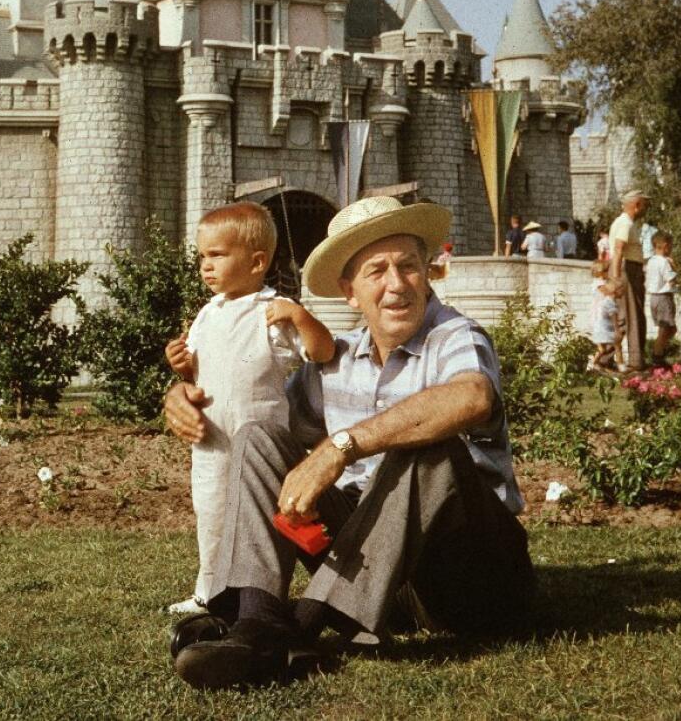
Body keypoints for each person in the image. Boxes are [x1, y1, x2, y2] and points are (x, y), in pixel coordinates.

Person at [164, 195, 533, 690]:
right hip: (382, 579)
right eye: (376, 271)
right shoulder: (336, 361)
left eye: (408, 266)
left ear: (428, 274)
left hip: (469, 575)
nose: (396, 285)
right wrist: (184, 396)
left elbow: (470, 398)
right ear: (350, 292)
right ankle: (257, 618)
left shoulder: (455, 335)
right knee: (259, 436)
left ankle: (303, 623)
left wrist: (341, 447)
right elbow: (261, 423)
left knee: (430, 446)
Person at [163, 202, 335, 614]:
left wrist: (301, 315)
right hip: (211, 439)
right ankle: (210, 590)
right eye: (203, 256)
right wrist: (184, 367)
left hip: (258, 444)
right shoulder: (208, 313)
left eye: (218, 255)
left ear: (258, 261)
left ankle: (260, 591)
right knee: (212, 513)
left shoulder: (272, 312)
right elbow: (200, 376)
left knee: (258, 522)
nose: (206, 266)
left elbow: (322, 350)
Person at [609, 190, 648, 370]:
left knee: (627, 316)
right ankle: (635, 361)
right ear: (637, 204)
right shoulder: (625, 223)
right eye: (644, 204)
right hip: (627, 270)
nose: (646, 208)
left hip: (629, 269)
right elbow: (618, 250)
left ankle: (605, 359)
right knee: (631, 316)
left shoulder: (625, 222)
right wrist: (616, 277)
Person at [644, 232, 677, 368]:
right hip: (663, 297)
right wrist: (674, 266)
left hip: (653, 298)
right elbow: (672, 279)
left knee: (668, 329)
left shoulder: (651, 261)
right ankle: (657, 356)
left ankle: (659, 353)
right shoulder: (664, 262)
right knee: (666, 330)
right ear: (665, 246)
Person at [588, 260, 625, 373]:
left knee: (609, 345)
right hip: (600, 316)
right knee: (611, 344)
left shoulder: (604, 281)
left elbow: (616, 293)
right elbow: (608, 292)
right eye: (604, 270)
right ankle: (618, 365)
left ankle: (593, 364)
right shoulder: (597, 283)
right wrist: (616, 285)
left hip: (606, 314)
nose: (606, 272)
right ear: (598, 272)